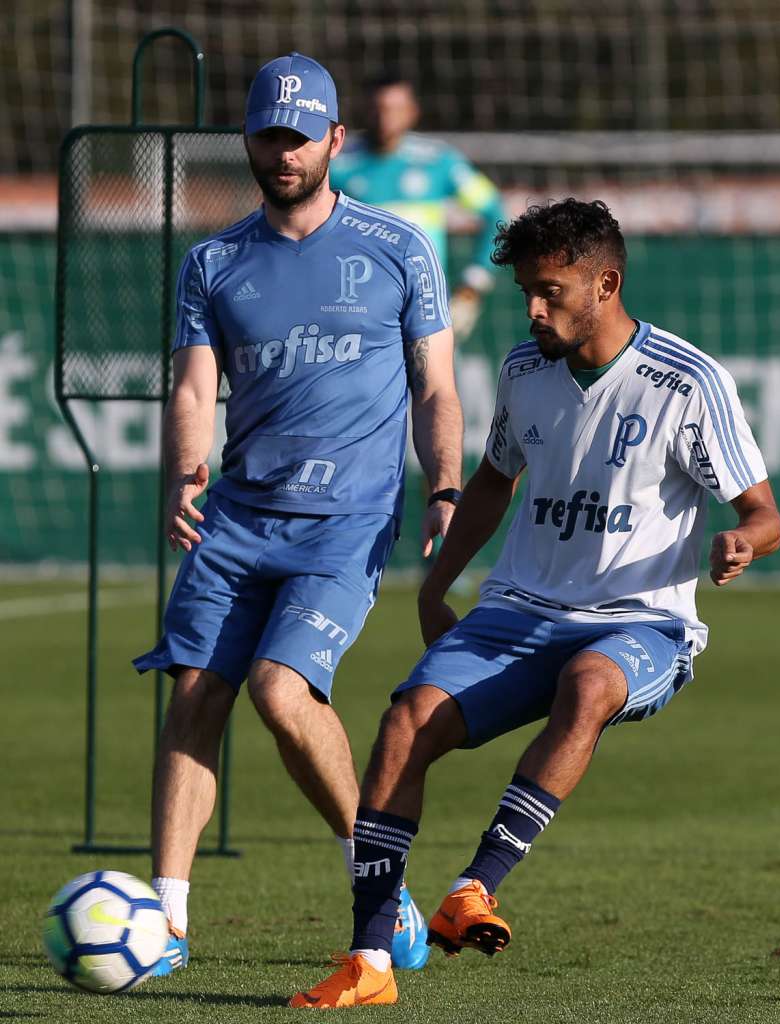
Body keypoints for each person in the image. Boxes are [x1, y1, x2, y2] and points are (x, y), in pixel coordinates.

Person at [290, 198, 780, 1008]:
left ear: (606, 283)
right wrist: (440, 581)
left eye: (549, 291)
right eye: (526, 291)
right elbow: (494, 479)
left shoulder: (688, 383)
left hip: (641, 624)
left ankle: (475, 886)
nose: (532, 308)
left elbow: (764, 514)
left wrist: (743, 541)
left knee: (588, 683)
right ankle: (369, 963)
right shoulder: (526, 368)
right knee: (405, 721)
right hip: (518, 610)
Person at [132, 52, 462, 976]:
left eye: (301, 135)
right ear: (249, 139)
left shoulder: (398, 248)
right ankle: (165, 921)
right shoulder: (214, 260)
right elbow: (195, 387)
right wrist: (184, 472)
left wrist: (442, 485)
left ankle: (378, 884)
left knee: (282, 692)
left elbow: (436, 387)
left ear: (334, 140)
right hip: (236, 518)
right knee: (195, 697)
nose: (285, 152)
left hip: (347, 521)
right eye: (269, 135)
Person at [330, 73, 506, 345]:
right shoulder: (339, 166)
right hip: (359, 315)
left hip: (428, 313)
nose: (385, 117)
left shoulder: (439, 162)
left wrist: (473, 285)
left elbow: (495, 214)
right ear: (365, 110)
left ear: (413, 112)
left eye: (394, 109)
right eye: (378, 108)